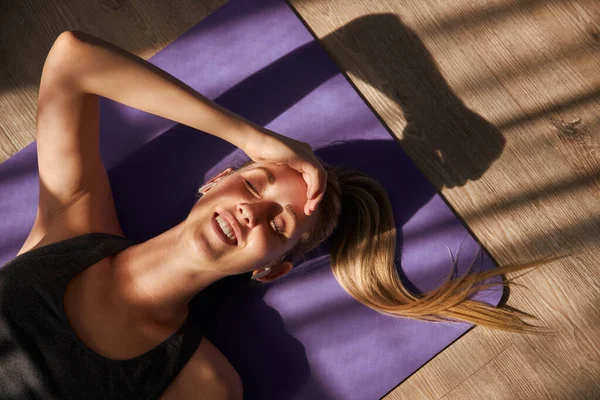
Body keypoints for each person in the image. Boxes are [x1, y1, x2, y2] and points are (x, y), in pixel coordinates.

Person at [0, 31, 562, 400]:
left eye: (278, 225)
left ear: (271, 269)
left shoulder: (202, 382)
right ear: (213, 184)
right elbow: (71, 56)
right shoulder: (71, 223)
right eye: (253, 184)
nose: (252, 212)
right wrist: (251, 136)